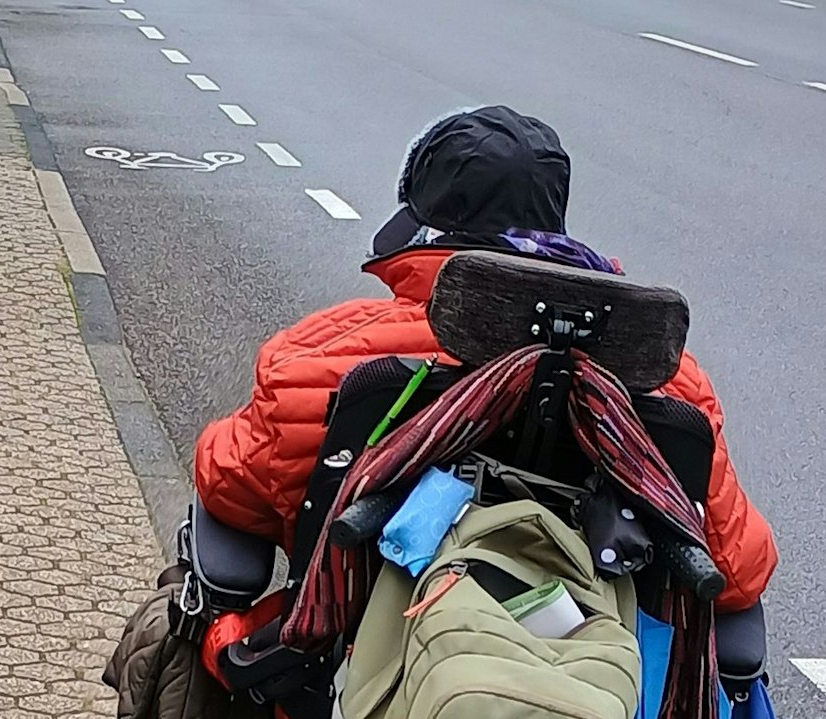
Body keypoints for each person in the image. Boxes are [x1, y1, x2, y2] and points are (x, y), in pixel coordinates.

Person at [193, 105, 777, 612]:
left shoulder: (328, 352)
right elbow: (736, 573)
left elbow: (229, 486)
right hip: (597, 693)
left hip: (354, 689)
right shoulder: (671, 385)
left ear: (426, 231)